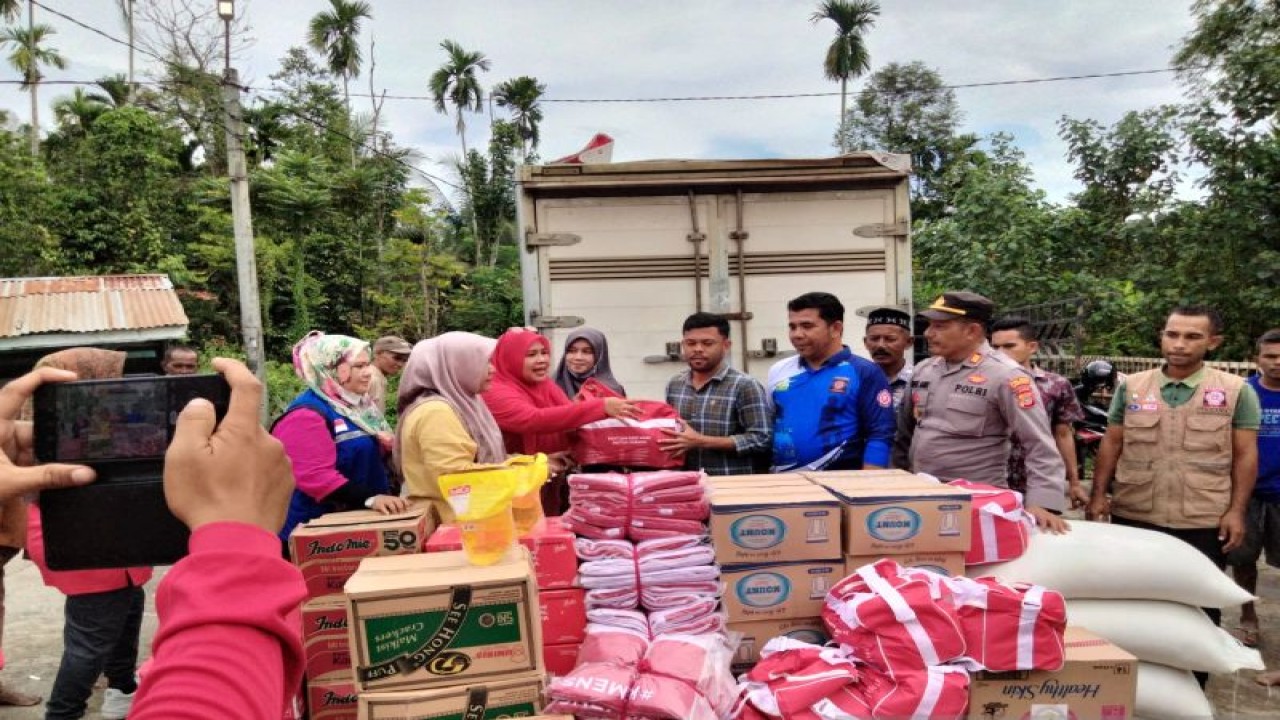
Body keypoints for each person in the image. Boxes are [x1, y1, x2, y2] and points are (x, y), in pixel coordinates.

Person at [1087, 306, 1260, 643]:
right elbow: (1112, 443)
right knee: (1133, 601)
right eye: (1172, 334)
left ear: (1213, 342)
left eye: (1192, 336)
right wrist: (1098, 495)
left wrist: (1237, 511)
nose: (1179, 344)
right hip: (1135, 513)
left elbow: (1245, 455)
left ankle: (1195, 680)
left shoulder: (1236, 390)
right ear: (1162, 337)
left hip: (1203, 519)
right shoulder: (1133, 386)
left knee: (1199, 606)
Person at [23, 349, 151, 720]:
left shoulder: (98, 422)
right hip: (85, 543)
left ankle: (122, 691)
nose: (117, 384)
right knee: (89, 644)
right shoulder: (55, 430)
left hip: (114, 543)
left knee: (125, 618)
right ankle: (62, 713)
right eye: (108, 376)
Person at [893, 292, 1069, 532]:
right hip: (921, 496)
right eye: (930, 325)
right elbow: (904, 435)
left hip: (977, 504)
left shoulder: (1006, 376)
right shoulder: (925, 370)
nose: (928, 333)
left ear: (973, 331)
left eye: (940, 326)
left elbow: (1039, 444)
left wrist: (1042, 503)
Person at [483, 328, 637, 514]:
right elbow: (531, 419)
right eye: (531, 354)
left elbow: (570, 421)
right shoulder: (495, 389)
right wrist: (599, 407)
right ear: (509, 357)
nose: (542, 360)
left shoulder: (543, 384)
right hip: (513, 486)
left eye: (544, 353)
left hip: (549, 478)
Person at [273, 332, 407, 544]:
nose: (367, 373)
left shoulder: (356, 408)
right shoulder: (306, 416)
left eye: (367, 365)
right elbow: (313, 476)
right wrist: (370, 499)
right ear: (329, 368)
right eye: (358, 366)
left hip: (355, 522)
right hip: (317, 533)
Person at [768, 292, 896, 472]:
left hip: (841, 485)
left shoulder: (865, 372)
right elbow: (770, 425)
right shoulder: (778, 370)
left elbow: (880, 433)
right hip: (784, 485)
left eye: (807, 326)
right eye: (792, 326)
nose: (797, 334)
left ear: (835, 328)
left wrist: (870, 483)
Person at [397, 333, 507, 523]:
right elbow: (455, 477)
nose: (492, 370)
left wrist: (523, 463)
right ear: (456, 366)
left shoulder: (462, 402)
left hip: (466, 520)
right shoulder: (436, 412)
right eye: (483, 363)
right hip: (453, 525)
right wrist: (523, 473)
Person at [990, 316, 1089, 508]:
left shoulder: (1055, 385)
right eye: (995, 347)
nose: (999, 354)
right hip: (991, 481)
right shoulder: (981, 382)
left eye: (1009, 346)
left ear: (1032, 347)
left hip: (1035, 482)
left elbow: (1063, 434)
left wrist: (1074, 483)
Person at [1224, 329, 1280, 668]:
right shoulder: (1242, 394)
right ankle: (1248, 614)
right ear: (1255, 358)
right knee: (1243, 558)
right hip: (1247, 492)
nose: (1277, 363)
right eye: (1270, 356)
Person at [660, 312, 773, 475]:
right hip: (687, 485)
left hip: (732, 486)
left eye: (707, 343)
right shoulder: (675, 384)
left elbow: (762, 439)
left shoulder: (744, 385)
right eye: (691, 343)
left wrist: (701, 441)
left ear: (726, 345)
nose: (698, 349)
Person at [862, 307, 915, 409]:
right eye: (874, 339)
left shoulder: (919, 381)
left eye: (890, 339)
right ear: (865, 342)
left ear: (909, 342)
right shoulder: (857, 380)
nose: (881, 345)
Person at [553, 328, 626, 399]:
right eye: (572, 351)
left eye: (587, 352)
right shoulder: (551, 386)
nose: (578, 357)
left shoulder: (612, 391)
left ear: (599, 355)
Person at [367, 336, 412, 416]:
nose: (400, 364)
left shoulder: (377, 377)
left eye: (404, 360)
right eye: (396, 358)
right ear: (377, 354)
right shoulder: (372, 379)